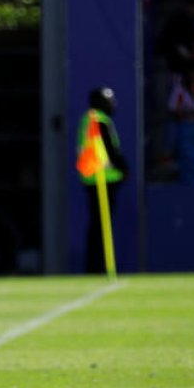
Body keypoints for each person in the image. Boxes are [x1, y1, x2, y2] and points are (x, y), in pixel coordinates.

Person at [77, 87, 129, 274]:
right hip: (102, 180)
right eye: (109, 100)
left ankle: (95, 266)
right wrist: (124, 169)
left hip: (95, 179)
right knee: (100, 226)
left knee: (97, 226)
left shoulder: (89, 119)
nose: (113, 103)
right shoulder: (98, 120)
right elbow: (109, 150)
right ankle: (97, 267)